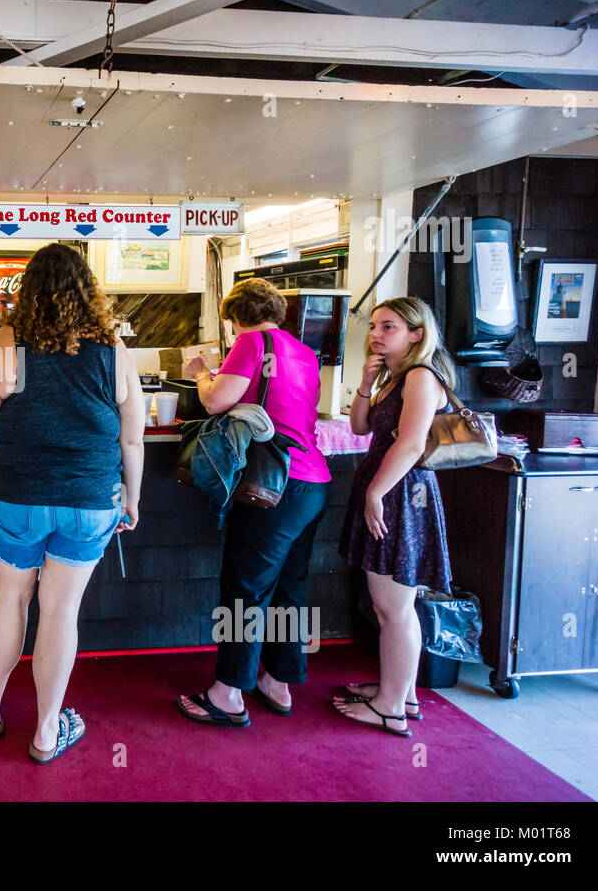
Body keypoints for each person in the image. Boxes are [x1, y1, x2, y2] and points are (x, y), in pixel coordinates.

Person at [0, 243, 144, 765]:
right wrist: (133, 497)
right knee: (61, 610)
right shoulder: (113, 350)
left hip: (19, 497)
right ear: (90, 294)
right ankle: (45, 733)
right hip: (90, 500)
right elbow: (132, 438)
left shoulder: (8, 344)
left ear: (28, 291)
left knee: (10, 602)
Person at [175, 278, 331, 728]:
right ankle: (278, 681)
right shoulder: (302, 350)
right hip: (313, 481)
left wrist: (202, 370)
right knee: (289, 586)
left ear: (234, 317)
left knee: (245, 589)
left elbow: (213, 401)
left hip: (272, 486)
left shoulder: (251, 341)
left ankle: (227, 694)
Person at [334, 297, 455, 738]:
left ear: (417, 333)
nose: (376, 334)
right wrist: (366, 383)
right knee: (391, 607)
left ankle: (390, 708)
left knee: (395, 608)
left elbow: (409, 444)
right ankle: (400, 692)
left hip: (401, 494)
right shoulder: (395, 376)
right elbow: (360, 429)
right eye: (374, 327)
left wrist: (375, 492)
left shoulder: (421, 376)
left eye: (388, 327)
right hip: (389, 489)